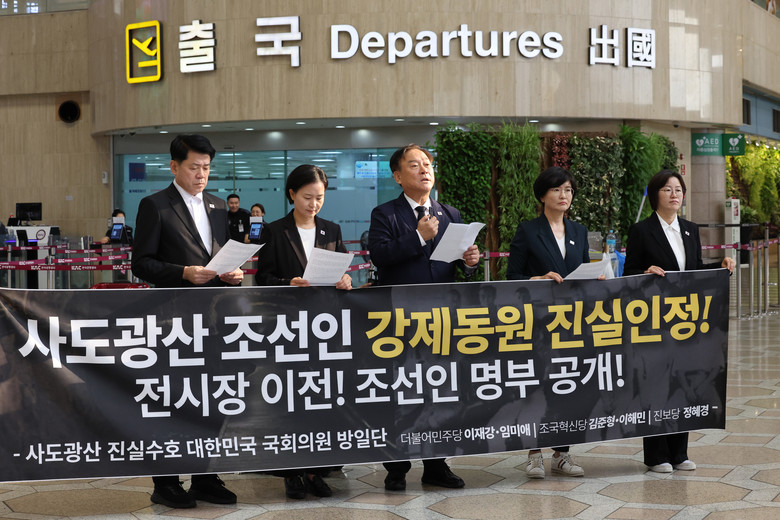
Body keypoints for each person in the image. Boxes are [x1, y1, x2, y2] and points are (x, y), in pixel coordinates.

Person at [131, 134, 243, 508]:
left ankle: (204, 477)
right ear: (174, 166)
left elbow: (220, 255)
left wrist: (231, 273)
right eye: (194, 167)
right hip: (173, 321)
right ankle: (165, 482)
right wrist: (183, 272)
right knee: (172, 400)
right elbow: (141, 263)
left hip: (214, 319)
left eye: (206, 168)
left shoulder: (218, 206)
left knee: (212, 398)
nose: (201, 175)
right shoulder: (155, 205)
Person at [368, 143, 480, 491]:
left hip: (442, 319)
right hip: (400, 319)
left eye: (428, 163)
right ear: (398, 176)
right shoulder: (385, 214)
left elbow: (458, 264)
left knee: (439, 391)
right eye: (414, 165)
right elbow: (380, 256)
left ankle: (436, 464)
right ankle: (396, 467)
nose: (424, 169)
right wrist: (418, 236)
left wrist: (470, 262)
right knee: (400, 391)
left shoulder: (450, 213)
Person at [623, 169, 735, 473]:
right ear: (655, 194)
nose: (675, 195)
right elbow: (628, 273)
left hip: (684, 321)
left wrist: (720, 265)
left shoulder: (689, 229)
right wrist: (645, 273)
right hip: (653, 320)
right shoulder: (642, 230)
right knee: (657, 383)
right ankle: (656, 455)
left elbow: (694, 270)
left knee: (682, 383)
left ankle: (679, 453)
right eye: (667, 189)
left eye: (679, 190)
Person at [255, 164, 351, 499]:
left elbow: (341, 270)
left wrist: (345, 279)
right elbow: (263, 278)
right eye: (308, 197)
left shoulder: (331, 229)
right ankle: (292, 472)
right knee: (290, 400)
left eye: (320, 198)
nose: (314, 204)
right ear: (292, 194)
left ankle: (315, 470)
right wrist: (288, 283)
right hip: (287, 326)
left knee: (320, 399)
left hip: (324, 327)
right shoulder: (274, 231)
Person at [506, 166, 591, 479]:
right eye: (556, 189)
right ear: (542, 195)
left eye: (568, 189)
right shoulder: (528, 230)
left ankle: (562, 453)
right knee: (538, 386)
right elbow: (511, 277)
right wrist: (536, 279)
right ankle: (534, 454)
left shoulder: (581, 231)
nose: (564, 195)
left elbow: (588, 268)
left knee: (568, 386)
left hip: (572, 322)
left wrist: (596, 277)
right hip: (538, 322)